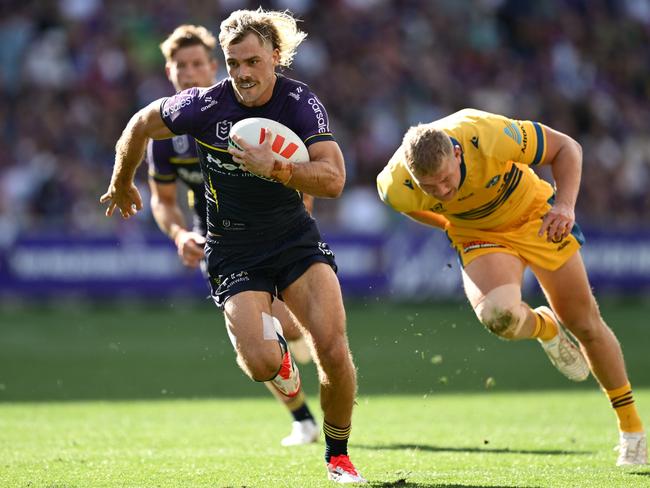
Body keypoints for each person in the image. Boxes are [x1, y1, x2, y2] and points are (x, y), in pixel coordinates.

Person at [100, 9, 366, 483]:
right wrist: (121, 182)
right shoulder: (204, 107)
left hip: (294, 241)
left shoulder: (300, 102)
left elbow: (335, 178)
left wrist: (279, 169)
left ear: (275, 57)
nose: (242, 73)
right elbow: (139, 124)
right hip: (232, 249)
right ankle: (283, 363)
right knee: (261, 363)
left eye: (252, 62)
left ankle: (338, 456)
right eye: (233, 62)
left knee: (333, 350)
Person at [377, 108, 647, 466]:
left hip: (536, 216)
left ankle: (632, 432)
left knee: (584, 324)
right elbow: (413, 207)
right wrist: (449, 223)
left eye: (445, 179)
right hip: (478, 234)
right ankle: (545, 326)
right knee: (498, 317)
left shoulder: (486, 134)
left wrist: (565, 205)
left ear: (457, 154)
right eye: (431, 187)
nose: (443, 190)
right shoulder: (395, 186)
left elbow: (567, 148)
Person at [146, 24, 318, 448]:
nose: (188, 73)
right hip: (221, 239)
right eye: (180, 66)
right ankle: (303, 420)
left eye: (197, 64)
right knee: (258, 339)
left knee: (287, 326)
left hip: (276, 227)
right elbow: (163, 200)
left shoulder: (252, 111)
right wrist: (178, 233)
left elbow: (301, 168)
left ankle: (298, 340)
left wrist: (299, 220)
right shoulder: (168, 135)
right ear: (169, 72)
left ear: (214, 67)